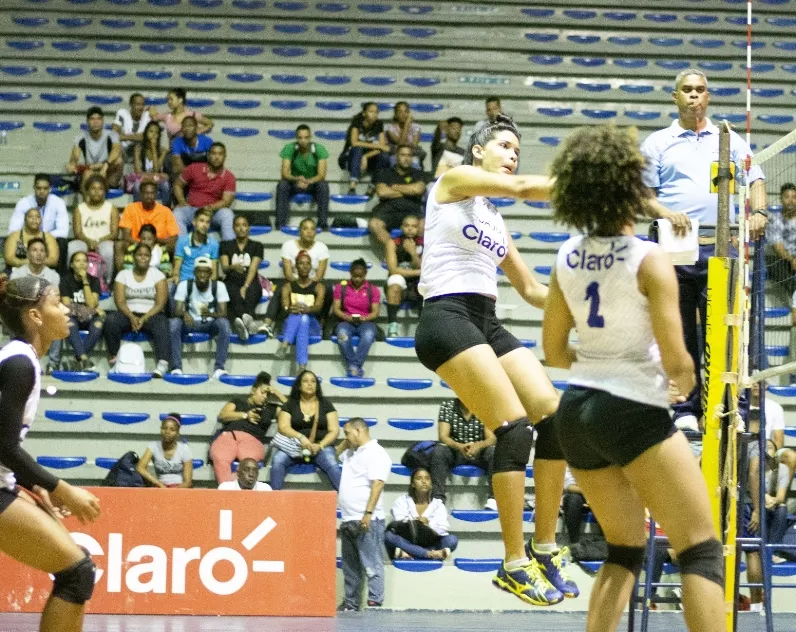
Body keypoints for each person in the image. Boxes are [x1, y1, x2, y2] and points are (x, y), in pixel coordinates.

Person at [543, 124, 725, 631]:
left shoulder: (565, 256)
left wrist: (599, 359)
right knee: (701, 548)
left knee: (624, 548)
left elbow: (554, 351)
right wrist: (680, 384)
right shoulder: (650, 259)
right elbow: (679, 362)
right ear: (631, 187)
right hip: (630, 409)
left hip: (576, 411)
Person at [413, 113, 574, 606]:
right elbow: (526, 187)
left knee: (555, 417)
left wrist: (584, 307)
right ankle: (512, 564)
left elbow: (529, 289)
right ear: (478, 151)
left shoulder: (493, 219)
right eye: (504, 146)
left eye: (516, 150)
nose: (511, 155)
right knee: (514, 427)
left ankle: (543, 546)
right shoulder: (453, 181)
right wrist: (588, 188)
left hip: (485, 319)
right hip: (445, 316)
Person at [641, 69, 767, 431]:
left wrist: (758, 210)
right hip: (674, 250)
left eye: (700, 90)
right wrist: (667, 213)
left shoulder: (729, 139)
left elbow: (755, 178)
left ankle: (730, 406)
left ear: (708, 97)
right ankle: (685, 410)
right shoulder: (658, 142)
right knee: (680, 331)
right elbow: (642, 195)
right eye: (687, 90)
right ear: (675, 96)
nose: (694, 96)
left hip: (721, 247)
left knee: (723, 329)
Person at [0, 274, 101, 632]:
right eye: (57, 302)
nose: (67, 309)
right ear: (35, 316)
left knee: (78, 571)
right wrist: (61, 488)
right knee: (77, 571)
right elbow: (4, 446)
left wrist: (32, 484)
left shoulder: (21, 358)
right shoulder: (18, 363)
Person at [336, 417, 392, 611]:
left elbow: (378, 484)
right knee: (350, 566)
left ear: (359, 431)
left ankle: (375, 601)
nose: (346, 437)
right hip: (348, 518)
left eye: (347, 433)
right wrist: (346, 442)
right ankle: (351, 603)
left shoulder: (377, 453)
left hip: (367, 518)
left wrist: (368, 513)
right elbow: (335, 454)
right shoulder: (352, 453)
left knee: (372, 563)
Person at [103, 242, 170, 378]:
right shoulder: (123, 275)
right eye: (139, 255)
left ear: (150, 258)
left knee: (162, 323)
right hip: (128, 313)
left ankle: (162, 364)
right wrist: (132, 317)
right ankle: (116, 358)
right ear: (133, 257)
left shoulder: (158, 275)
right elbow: (120, 301)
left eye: (146, 255)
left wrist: (144, 318)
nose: (143, 258)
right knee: (111, 321)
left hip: (151, 314)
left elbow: (160, 303)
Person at [270, 370, 341, 490]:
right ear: (299, 385)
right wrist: (301, 438)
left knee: (332, 464)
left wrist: (320, 445)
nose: (310, 384)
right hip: (294, 446)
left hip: (319, 447)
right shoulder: (290, 404)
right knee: (277, 461)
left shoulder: (326, 404)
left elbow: (334, 431)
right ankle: (273, 501)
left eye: (313, 381)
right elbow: (283, 427)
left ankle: (347, 500)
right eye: (306, 381)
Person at [210, 371, 287, 483]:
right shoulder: (238, 400)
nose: (265, 397)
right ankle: (226, 492)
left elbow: (293, 411)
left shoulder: (271, 408)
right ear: (253, 390)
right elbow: (223, 415)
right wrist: (245, 415)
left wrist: (277, 393)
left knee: (248, 466)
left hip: (252, 440)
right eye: (262, 392)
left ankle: (233, 487)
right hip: (229, 436)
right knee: (221, 459)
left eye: (268, 394)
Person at [260, 217, 331, 338]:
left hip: (312, 282)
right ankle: (268, 323)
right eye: (305, 228)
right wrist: (300, 284)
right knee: (280, 288)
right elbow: (288, 274)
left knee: (328, 290)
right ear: (299, 231)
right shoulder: (288, 245)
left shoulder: (322, 247)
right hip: (293, 281)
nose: (309, 231)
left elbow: (319, 275)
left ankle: (324, 325)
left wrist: (307, 284)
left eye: (312, 229)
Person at [744, 438, 791, 612]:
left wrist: (768, 501)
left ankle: (773, 550)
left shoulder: (781, 469)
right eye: (766, 446)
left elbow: (780, 496)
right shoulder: (755, 457)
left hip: (765, 506)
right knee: (751, 552)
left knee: (782, 509)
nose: (768, 449)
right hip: (753, 504)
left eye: (771, 447)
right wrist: (759, 505)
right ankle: (754, 605)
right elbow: (752, 480)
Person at [169, 256, 231, 380]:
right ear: (194, 273)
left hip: (210, 324)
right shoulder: (184, 285)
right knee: (174, 323)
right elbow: (176, 311)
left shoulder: (218, 286)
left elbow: (223, 313)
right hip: (189, 323)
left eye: (205, 272)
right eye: (199, 271)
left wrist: (210, 315)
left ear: (210, 273)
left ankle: (219, 368)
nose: (202, 275)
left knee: (224, 324)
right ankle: (176, 367)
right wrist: (184, 314)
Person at [429, 398, 496, 509]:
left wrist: (477, 446)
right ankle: (438, 500)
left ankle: (493, 498)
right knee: (439, 451)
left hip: (479, 452)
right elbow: (443, 436)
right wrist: (460, 447)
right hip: (455, 451)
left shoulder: (485, 406)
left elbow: (491, 438)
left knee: (493, 452)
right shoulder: (448, 405)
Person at [10, 239, 62, 374]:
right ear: (27, 254)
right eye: (34, 250)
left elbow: (52, 300)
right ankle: (24, 362)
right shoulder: (17, 274)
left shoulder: (53, 275)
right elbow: (15, 299)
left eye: (42, 250)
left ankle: (53, 363)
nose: (39, 254)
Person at [385, 467, 458, 561]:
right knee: (388, 536)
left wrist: (428, 523)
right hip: (408, 541)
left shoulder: (438, 504)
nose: (424, 481)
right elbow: (399, 522)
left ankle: (410, 554)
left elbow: (442, 528)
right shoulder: (402, 501)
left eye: (427, 478)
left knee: (452, 539)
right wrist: (416, 522)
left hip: (430, 543)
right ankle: (428, 554)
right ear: (413, 484)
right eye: (419, 478)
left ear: (431, 483)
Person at [173, 142, 236, 242]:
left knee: (227, 214)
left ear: (224, 157)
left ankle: (229, 251)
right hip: (192, 210)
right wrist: (181, 201)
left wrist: (210, 208)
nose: (217, 157)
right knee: (178, 213)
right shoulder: (194, 168)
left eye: (220, 154)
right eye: (214, 153)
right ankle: (183, 247)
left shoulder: (229, 177)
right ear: (208, 155)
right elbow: (177, 185)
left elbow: (226, 201)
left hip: (213, 213)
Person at [368, 144, 426, 249]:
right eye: (403, 155)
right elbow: (382, 192)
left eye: (409, 155)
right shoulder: (384, 173)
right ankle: (395, 251)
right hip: (389, 211)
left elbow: (418, 189)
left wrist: (394, 187)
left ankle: (416, 252)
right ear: (396, 157)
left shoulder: (418, 173)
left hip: (412, 211)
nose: (406, 158)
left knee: (424, 224)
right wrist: (409, 190)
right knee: (374, 224)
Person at [276, 252, 325, 373]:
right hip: (291, 323)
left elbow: (318, 307)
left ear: (311, 267)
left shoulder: (318, 287)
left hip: (312, 325)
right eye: (301, 263)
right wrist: (291, 308)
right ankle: (302, 365)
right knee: (301, 318)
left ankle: (285, 344)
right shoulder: (288, 286)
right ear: (296, 266)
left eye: (308, 264)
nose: (304, 266)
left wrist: (306, 309)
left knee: (303, 316)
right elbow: (285, 307)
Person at [275, 124, 330, 230]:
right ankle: (280, 224)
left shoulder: (319, 149)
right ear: (296, 138)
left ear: (310, 137)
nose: (303, 140)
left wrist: (308, 181)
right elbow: (284, 173)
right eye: (300, 138)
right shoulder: (290, 148)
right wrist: (297, 179)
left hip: (312, 184)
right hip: (295, 183)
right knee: (282, 185)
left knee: (323, 185)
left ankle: (322, 223)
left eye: (306, 137)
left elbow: (321, 174)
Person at [116, 180, 180, 270]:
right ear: (140, 194)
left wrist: (155, 241)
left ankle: (173, 276)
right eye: (146, 193)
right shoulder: (131, 208)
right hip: (136, 245)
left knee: (177, 244)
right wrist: (143, 243)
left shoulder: (165, 211)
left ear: (156, 194)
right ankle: (121, 278)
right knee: (119, 245)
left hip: (159, 245)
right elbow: (126, 236)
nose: (149, 196)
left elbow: (174, 237)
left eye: (152, 193)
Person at [68, 175, 119, 287]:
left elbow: (114, 233)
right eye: (93, 188)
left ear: (105, 191)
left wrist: (99, 241)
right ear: (87, 191)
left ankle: (107, 283)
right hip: (84, 240)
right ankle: (73, 282)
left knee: (108, 250)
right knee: (72, 247)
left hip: (105, 240)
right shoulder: (79, 209)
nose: (96, 192)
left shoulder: (111, 208)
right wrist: (88, 241)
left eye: (100, 189)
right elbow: (78, 233)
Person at [333, 258, 381, 377]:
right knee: (342, 335)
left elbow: (375, 312)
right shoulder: (341, 287)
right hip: (346, 321)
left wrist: (364, 318)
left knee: (369, 335)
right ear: (350, 273)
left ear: (365, 274)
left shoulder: (373, 290)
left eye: (360, 276)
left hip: (365, 322)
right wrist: (347, 317)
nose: (357, 279)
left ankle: (354, 365)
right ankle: (355, 366)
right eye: (355, 276)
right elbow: (336, 309)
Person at [220, 215, 264, 342]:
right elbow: (224, 267)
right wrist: (232, 267)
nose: (241, 228)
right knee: (229, 290)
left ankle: (239, 323)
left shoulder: (257, 246)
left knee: (248, 294)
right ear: (233, 228)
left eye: (244, 225)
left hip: (251, 281)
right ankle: (249, 322)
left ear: (248, 228)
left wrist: (245, 286)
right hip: (231, 280)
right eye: (238, 225)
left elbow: (253, 268)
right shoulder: (225, 245)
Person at [60, 251, 104, 371]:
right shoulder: (65, 281)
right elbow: (67, 306)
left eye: (85, 261)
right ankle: (84, 359)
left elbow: (91, 304)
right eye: (77, 261)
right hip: (72, 316)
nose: (81, 264)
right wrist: (91, 310)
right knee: (69, 323)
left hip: (89, 318)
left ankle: (77, 359)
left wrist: (85, 280)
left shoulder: (94, 280)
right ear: (72, 265)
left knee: (99, 324)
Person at [66, 106, 123, 191]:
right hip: (90, 170)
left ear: (103, 121)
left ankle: (110, 186)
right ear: (87, 122)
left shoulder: (112, 135)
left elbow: (116, 150)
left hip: (106, 171)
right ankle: (87, 203)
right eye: (92, 119)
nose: (95, 122)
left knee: (119, 161)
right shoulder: (81, 137)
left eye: (98, 119)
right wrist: (72, 165)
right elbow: (75, 158)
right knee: (87, 173)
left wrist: (105, 165)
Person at [384, 214, 423, 337]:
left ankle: (423, 330)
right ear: (401, 227)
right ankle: (392, 328)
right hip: (400, 278)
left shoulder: (425, 243)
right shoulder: (393, 242)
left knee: (429, 287)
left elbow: (424, 267)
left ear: (418, 228)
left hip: (418, 281)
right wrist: (417, 272)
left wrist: (412, 252)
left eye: (414, 226)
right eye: (407, 226)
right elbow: (393, 269)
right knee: (394, 284)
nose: (410, 229)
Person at [340, 102, 390, 195]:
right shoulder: (356, 124)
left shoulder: (379, 124)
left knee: (384, 156)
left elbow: (383, 148)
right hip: (349, 158)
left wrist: (366, 156)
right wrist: (378, 146)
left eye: (376, 112)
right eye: (371, 111)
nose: (374, 114)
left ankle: (372, 186)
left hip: (367, 159)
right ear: (364, 113)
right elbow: (354, 143)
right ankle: (352, 187)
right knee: (357, 148)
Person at [9, 174, 69, 246]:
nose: (42, 191)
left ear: (50, 188)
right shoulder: (23, 203)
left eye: (45, 188)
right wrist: (28, 237)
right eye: (39, 188)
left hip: (50, 241)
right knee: (14, 240)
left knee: (62, 242)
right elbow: (13, 230)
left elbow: (63, 232)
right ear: (34, 188)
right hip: (28, 241)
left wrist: (41, 236)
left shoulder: (58, 203)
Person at [135, 414, 193, 488]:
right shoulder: (153, 446)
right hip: (160, 487)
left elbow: (187, 482)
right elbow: (140, 467)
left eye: (172, 429)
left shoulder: (184, 449)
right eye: (164, 428)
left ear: (178, 433)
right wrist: (158, 483)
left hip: (179, 489)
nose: (167, 432)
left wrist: (171, 492)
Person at [148, 87, 213, 145]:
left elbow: (210, 123)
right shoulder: (167, 116)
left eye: (171, 99)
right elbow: (153, 118)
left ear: (180, 99)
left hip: (189, 154)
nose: (169, 102)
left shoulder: (192, 115)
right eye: (168, 100)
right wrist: (150, 109)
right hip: (174, 154)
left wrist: (198, 131)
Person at [172, 208, 219, 284]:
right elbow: (176, 271)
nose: (204, 225)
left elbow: (214, 274)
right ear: (194, 222)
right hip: (185, 282)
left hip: (204, 284)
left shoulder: (214, 244)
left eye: (207, 222)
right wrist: (177, 281)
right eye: (201, 221)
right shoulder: (182, 241)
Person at [767, 183, 796, 307]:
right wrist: (792, 260)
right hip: (781, 260)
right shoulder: (775, 219)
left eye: (794, 197)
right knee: (772, 261)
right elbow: (777, 247)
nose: (791, 200)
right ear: (781, 199)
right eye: (787, 197)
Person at [131, 121, 170, 203]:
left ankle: (166, 209)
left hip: (156, 180)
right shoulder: (138, 148)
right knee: (137, 186)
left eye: (156, 132)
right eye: (151, 131)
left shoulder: (162, 150)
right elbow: (138, 171)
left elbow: (156, 169)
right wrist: (154, 175)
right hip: (143, 179)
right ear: (146, 133)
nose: (153, 134)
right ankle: (138, 210)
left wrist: (154, 149)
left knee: (166, 185)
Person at [113, 92, 151, 166]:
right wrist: (137, 137)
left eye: (142, 104)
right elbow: (114, 134)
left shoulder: (147, 115)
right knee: (115, 144)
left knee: (144, 146)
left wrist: (124, 136)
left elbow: (148, 137)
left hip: (140, 151)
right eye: (138, 104)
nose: (141, 107)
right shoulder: (122, 113)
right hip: (124, 151)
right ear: (131, 105)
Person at [170, 115, 213, 180]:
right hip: (186, 175)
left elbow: (212, 163)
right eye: (185, 126)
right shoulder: (177, 142)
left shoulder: (207, 141)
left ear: (196, 128)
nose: (187, 128)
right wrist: (192, 178)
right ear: (181, 129)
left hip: (204, 174)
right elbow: (178, 165)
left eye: (190, 126)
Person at [384, 102, 425, 169]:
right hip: (395, 155)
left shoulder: (416, 127)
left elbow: (414, 145)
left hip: (412, 154)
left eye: (406, 111)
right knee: (394, 160)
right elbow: (401, 144)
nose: (403, 114)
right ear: (396, 115)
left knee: (415, 161)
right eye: (400, 112)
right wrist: (407, 125)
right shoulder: (389, 128)